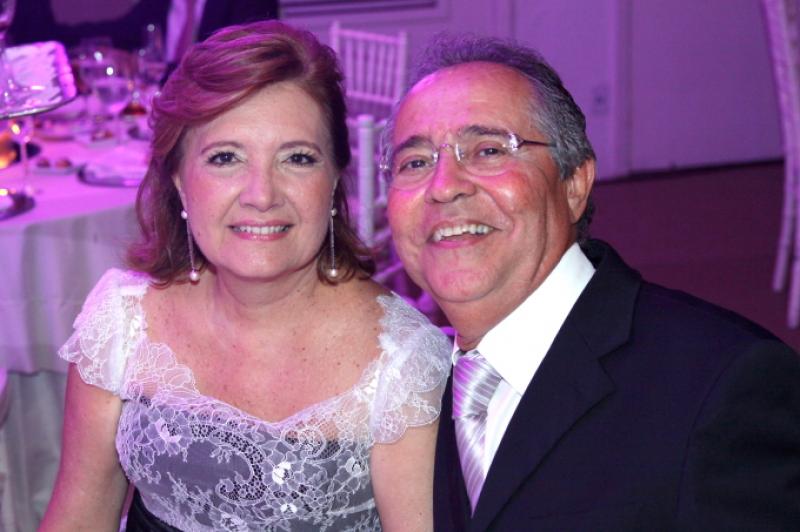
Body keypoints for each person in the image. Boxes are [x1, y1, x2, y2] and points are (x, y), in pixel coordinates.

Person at [40, 21, 450, 531]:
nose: (261, 195)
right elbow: (78, 517)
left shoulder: (401, 366)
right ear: (178, 180)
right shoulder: (123, 322)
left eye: (297, 158)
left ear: (333, 180)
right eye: (226, 158)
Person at [384, 34, 800, 530]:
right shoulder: (406, 392)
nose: (444, 186)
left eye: (488, 150)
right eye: (415, 162)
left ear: (575, 185)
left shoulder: (719, 385)